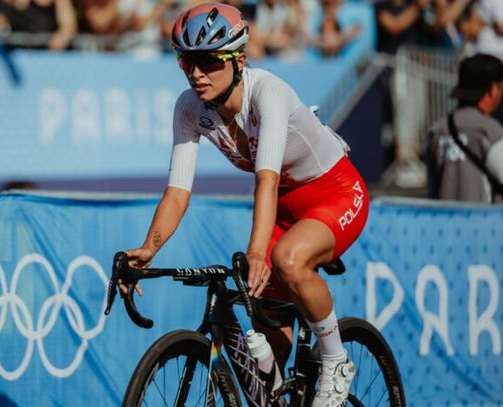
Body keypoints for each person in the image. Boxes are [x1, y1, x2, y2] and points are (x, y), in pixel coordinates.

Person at [118, 3, 369, 406]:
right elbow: (178, 192)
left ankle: (337, 361)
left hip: (335, 193)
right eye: (186, 62)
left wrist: (258, 251)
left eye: (208, 61)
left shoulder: (268, 91)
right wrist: (149, 249)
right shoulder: (189, 108)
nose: (196, 73)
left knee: (285, 259)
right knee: (267, 341)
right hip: (285, 208)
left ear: (239, 59)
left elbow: (266, 179)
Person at [426, 53, 503, 203]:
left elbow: (432, 189)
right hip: (481, 223)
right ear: (493, 89)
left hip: (442, 223)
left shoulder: (437, 130)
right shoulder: (490, 131)